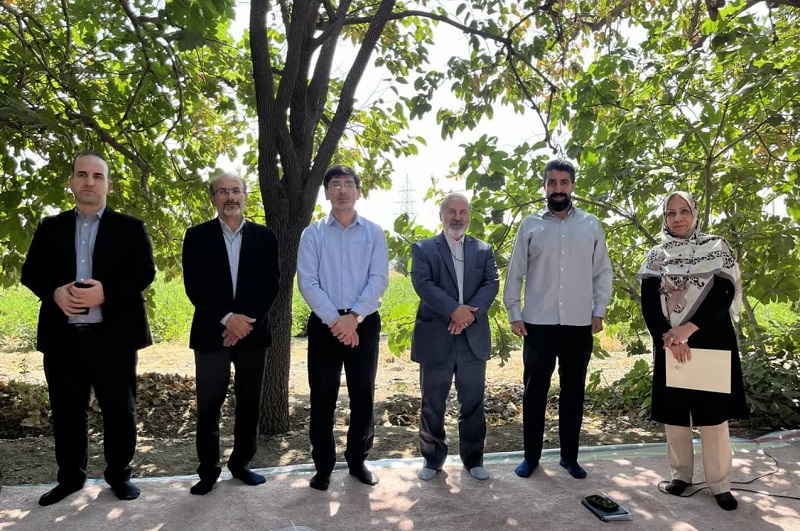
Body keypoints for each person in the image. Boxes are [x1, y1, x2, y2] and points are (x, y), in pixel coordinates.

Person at [20, 150, 156, 506]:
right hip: (63, 338)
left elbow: (144, 273)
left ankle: (119, 476)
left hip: (114, 339)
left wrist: (107, 292)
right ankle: (70, 479)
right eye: (82, 175)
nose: (89, 182)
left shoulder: (131, 228)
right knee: (66, 412)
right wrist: (54, 292)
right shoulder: (50, 227)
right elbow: (31, 273)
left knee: (120, 411)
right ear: (71, 182)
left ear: (108, 185)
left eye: (97, 176)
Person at [637, 191, 747, 511]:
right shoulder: (656, 255)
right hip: (669, 343)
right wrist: (670, 337)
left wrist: (687, 329)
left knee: (713, 418)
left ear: (694, 214)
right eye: (671, 213)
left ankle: (720, 485)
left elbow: (723, 294)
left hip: (710, 338)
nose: (678, 218)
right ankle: (680, 475)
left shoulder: (716, 247)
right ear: (664, 218)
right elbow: (648, 301)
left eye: (684, 211)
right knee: (675, 416)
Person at [503, 159, 613, 480]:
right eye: (552, 182)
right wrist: (514, 312)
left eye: (564, 182)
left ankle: (569, 458)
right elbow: (515, 271)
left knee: (573, 391)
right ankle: (531, 458)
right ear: (545, 186)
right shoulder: (530, 225)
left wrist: (599, 309)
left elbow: (602, 271)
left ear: (573, 186)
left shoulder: (591, 225)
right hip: (537, 324)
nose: (558, 188)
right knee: (534, 392)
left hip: (579, 324)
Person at [182, 171, 281, 495]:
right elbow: (194, 285)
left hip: (253, 332)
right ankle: (208, 470)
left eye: (236, 190)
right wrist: (227, 319)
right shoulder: (196, 236)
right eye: (223, 191)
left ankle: (242, 464)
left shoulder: (265, 236)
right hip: (211, 332)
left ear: (245, 196)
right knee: (209, 404)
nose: (230, 197)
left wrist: (244, 323)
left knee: (249, 402)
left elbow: (271, 283)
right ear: (213, 198)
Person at [297, 165, 389, 491]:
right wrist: (336, 322)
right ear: (326, 192)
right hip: (326, 324)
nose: (342, 190)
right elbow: (308, 282)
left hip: (363, 322)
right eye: (335, 184)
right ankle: (323, 466)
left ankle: (358, 460)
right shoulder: (312, 234)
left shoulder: (374, 233)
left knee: (363, 394)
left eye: (349, 184)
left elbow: (379, 279)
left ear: (358, 192)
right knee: (322, 396)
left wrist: (355, 317)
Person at [410, 193, 499, 481]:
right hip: (436, 337)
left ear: (469, 216)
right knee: (432, 403)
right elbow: (423, 283)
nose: (457, 217)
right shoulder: (424, 249)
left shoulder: (484, 249)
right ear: (441, 215)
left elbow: (491, 283)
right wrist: (453, 310)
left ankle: (473, 459)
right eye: (451, 211)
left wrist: (467, 316)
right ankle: (432, 459)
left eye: (462, 212)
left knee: (472, 402)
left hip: (472, 337)